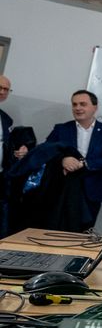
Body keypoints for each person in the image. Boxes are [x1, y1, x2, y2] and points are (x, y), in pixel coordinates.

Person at [44, 89, 102, 230]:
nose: (78, 108)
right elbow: (45, 152)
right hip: (61, 187)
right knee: (53, 229)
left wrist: (85, 163)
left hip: (92, 191)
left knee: (82, 232)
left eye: (82, 104)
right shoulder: (61, 129)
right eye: (74, 104)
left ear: (95, 107)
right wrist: (63, 160)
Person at [0, 75, 35, 236]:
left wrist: (21, 150)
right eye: (0, 87)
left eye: (6, 89)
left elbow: (8, 147)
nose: (2, 92)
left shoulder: (6, 119)